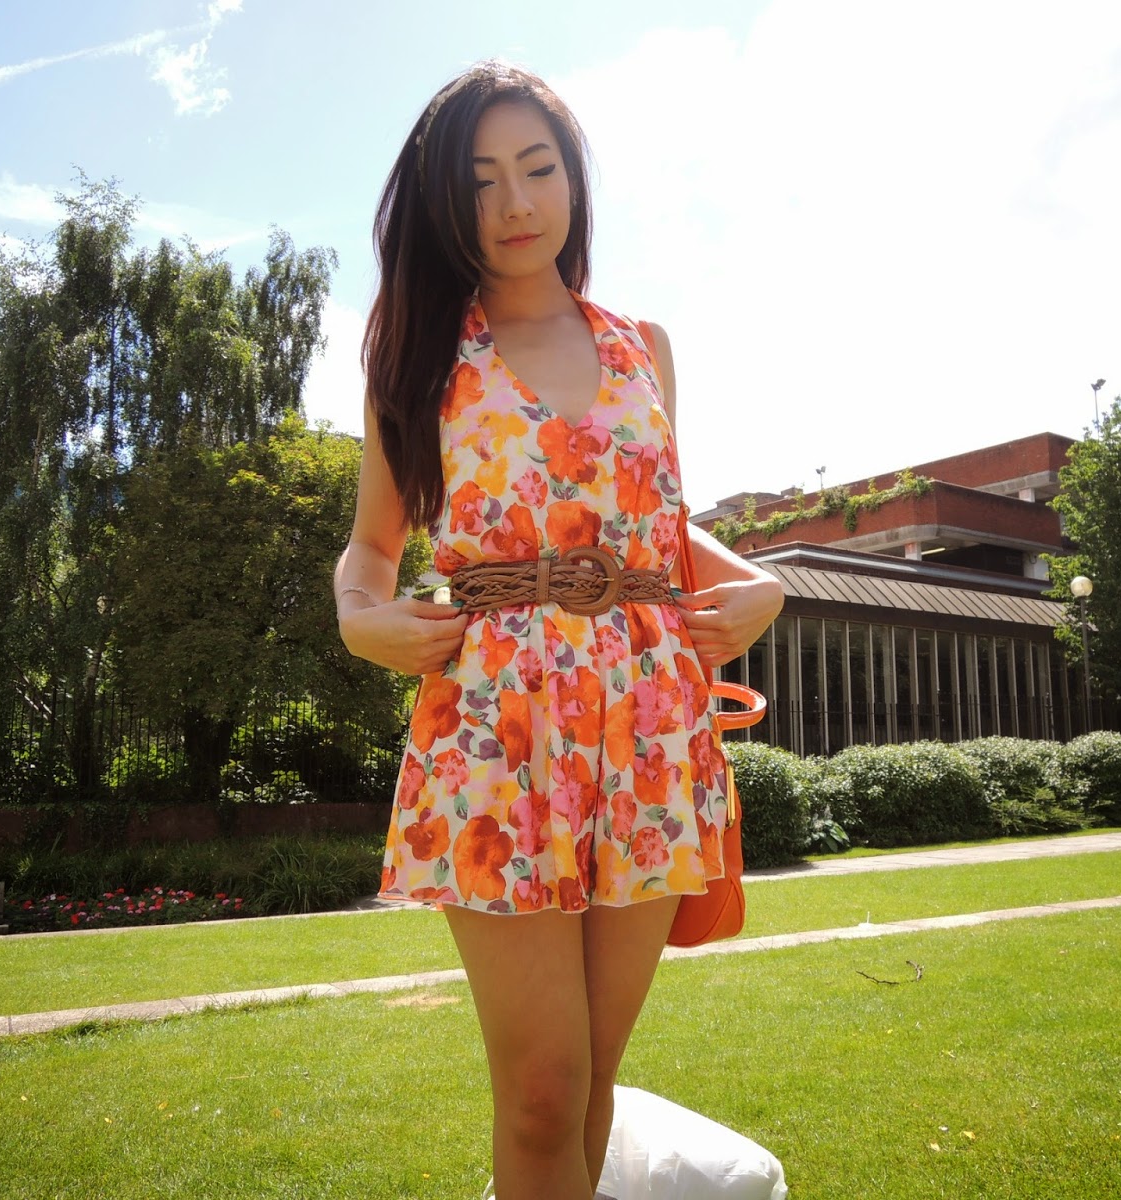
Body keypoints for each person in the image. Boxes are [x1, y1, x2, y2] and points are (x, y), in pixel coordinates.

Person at [335, 60, 784, 1200]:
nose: (515, 203)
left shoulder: (644, 345)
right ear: (444, 203)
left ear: (573, 180)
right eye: (481, 180)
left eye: (537, 169)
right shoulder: (415, 361)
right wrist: (359, 616)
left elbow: (658, 527)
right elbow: (372, 548)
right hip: (496, 727)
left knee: (591, 1083)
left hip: (648, 725)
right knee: (541, 1090)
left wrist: (762, 583)